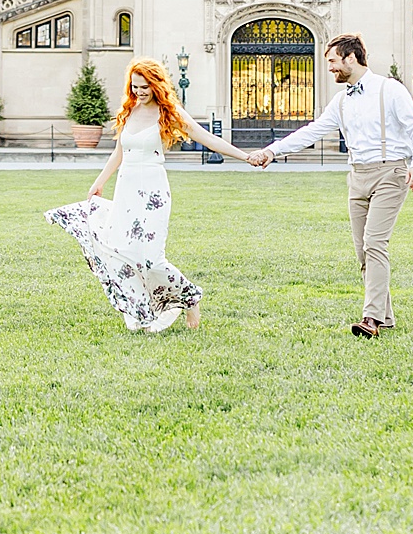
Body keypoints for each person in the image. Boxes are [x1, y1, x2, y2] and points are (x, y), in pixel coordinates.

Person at [45, 59, 258, 333]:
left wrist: (245, 156)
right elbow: (118, 153)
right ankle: (143, 312)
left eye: (145, 87)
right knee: (123, 251)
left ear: (156, 85)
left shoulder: (169, 113)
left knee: (151, 258)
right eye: (135, 87)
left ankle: (189, 298)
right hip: (126, 188)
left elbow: (208, 139)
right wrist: (99, 182)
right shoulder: (129, 110)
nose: (139, 92)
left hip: (153, 190)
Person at [247, 33, 413, 337]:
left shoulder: (390, 89)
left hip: (390, 173)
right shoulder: (342, 99)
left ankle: (370, 320)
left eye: (332, 61)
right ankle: (385, 315)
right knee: (363, 252)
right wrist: (271, 151)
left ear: (351, 58)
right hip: (356, 176)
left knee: (374, 243)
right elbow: (312, 131)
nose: (329, 68)